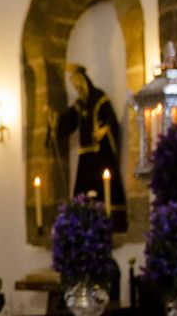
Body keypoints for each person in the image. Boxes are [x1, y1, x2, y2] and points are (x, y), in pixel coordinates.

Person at [51, 65, 128, 231]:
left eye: (78, 81)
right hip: (85, 155)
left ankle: (110, 218)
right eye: (74, 84)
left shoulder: (99, 98)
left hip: (101, 153)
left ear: (85, 80)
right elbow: (67, 123)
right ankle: (82, 221)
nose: (77, 86)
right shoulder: (79, 105)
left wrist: (103, 129)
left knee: (104, 187)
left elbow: (111, 119)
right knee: (83, 193)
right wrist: (54, 122)